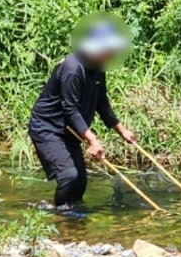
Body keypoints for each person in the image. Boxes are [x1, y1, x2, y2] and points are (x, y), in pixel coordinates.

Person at [28, 18, 136, 212]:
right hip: (48, 128)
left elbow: (101, 102)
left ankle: (72, 218)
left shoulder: (98, 68)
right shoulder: (72, 69)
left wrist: (121, 130)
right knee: (68, 175)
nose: (112, 54)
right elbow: (70, 109)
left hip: (70, 131)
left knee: (80, 182)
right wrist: (92, 140)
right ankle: (61, 216)